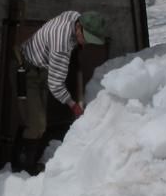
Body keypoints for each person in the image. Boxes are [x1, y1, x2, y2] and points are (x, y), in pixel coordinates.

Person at [14, 10, 107, 174]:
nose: (85, 43)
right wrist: (73, 105)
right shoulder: (61, 46)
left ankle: (24, 161)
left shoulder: (73, 16)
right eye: (85, 38)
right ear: (78, 27)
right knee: (37, 124)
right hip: (28, 71)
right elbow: (55, 85)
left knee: (37, 121)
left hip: (40, 67)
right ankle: (24, 169)